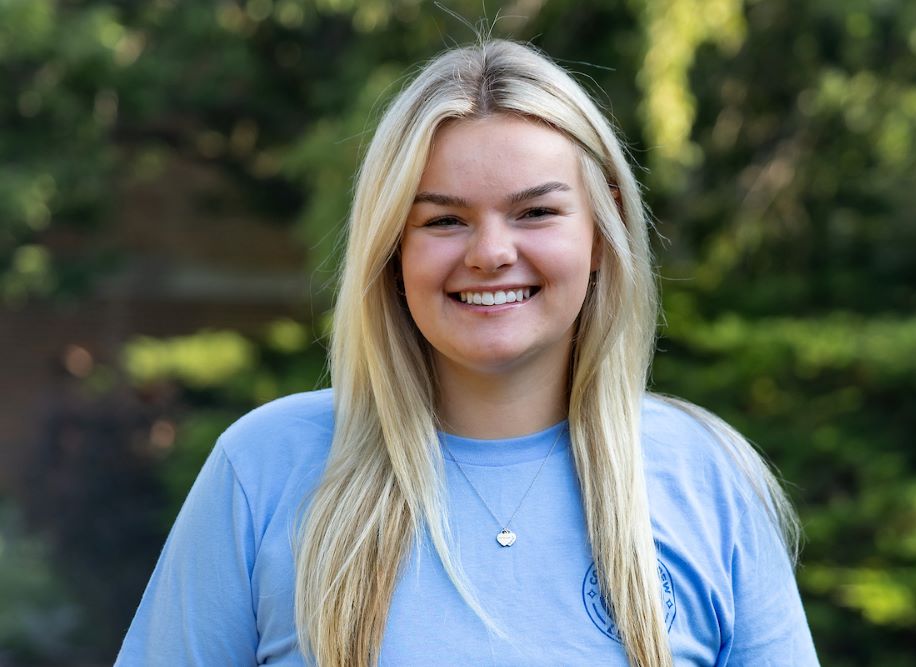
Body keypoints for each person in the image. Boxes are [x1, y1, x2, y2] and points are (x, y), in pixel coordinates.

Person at [116, 39, 819, 666]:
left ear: (601, 230)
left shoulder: (706, 481)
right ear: (393, 247)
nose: (490, 254)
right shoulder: (265, 469)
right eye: (444, 219)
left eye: (535, 211)